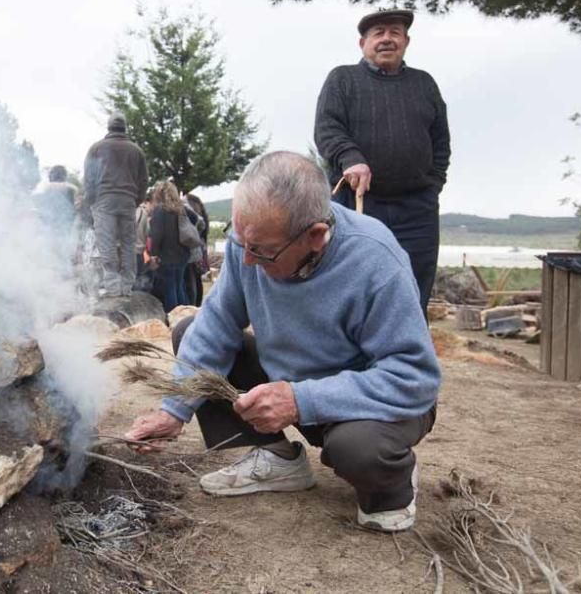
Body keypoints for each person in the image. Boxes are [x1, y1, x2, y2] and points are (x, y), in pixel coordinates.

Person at [124, 152, 440, 533]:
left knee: (357, 448)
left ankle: (392, 487)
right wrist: (174, 408)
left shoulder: (376, 262)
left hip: (366, 407)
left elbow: (414, 377)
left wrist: (300, 400)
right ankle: (276, 455)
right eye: (241, 244)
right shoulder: (253, 243)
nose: (248, 262)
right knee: (190, 331)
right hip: (293, 389)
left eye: (261, 251)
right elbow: (217, 323)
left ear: (315, 236)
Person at [314, 9, 451, 316]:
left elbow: (441, 142)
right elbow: (327, 128)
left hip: (417, 209)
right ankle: (353, 359)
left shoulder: (424, 84)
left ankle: (407, 358)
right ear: (363, 42)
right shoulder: (342, 79)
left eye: (395, 32)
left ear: (406, 41)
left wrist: (433, 186)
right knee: (352, 283)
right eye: (379, 33)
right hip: (358, 202)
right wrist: (351, 159)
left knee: (414, 287)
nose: (387, 39)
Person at [82, 112, 149, 298]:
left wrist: (91, 203)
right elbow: (144, 181)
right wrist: (136, 200)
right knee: (128, 244)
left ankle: (112, 287)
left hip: (104, 201)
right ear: (124, 127)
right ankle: (126, 287)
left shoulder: (96, 148)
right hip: (128, 201)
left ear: (109, 127)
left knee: (107, 244)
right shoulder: (136, 151)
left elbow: (88, 180)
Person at [146, 180, 190, 312]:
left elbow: (156, 235)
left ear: (159, 194)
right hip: (182, 255)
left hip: (166, 257)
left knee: (170, 290)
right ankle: (185, 316)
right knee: (180, 287)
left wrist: (153, 254)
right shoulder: (181, 210)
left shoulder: (160, 211)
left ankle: (173, 318)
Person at [32, 165, 79, 264]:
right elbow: (76, 205)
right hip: (67, 222)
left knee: (52, 245)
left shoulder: (45, 188)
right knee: (64, 245)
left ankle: (54, 267)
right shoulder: (72, 188)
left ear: (51, 175)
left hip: (51, 222)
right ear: (64, 175)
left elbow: (41, 206)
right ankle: (65, 266)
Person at [183, 193, 210, 307]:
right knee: (197, 280)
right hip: (200, 252)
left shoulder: (194, 218)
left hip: (193, 253)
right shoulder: (202, 217)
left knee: (192, 281)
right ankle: (197, 305)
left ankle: (194, 305)